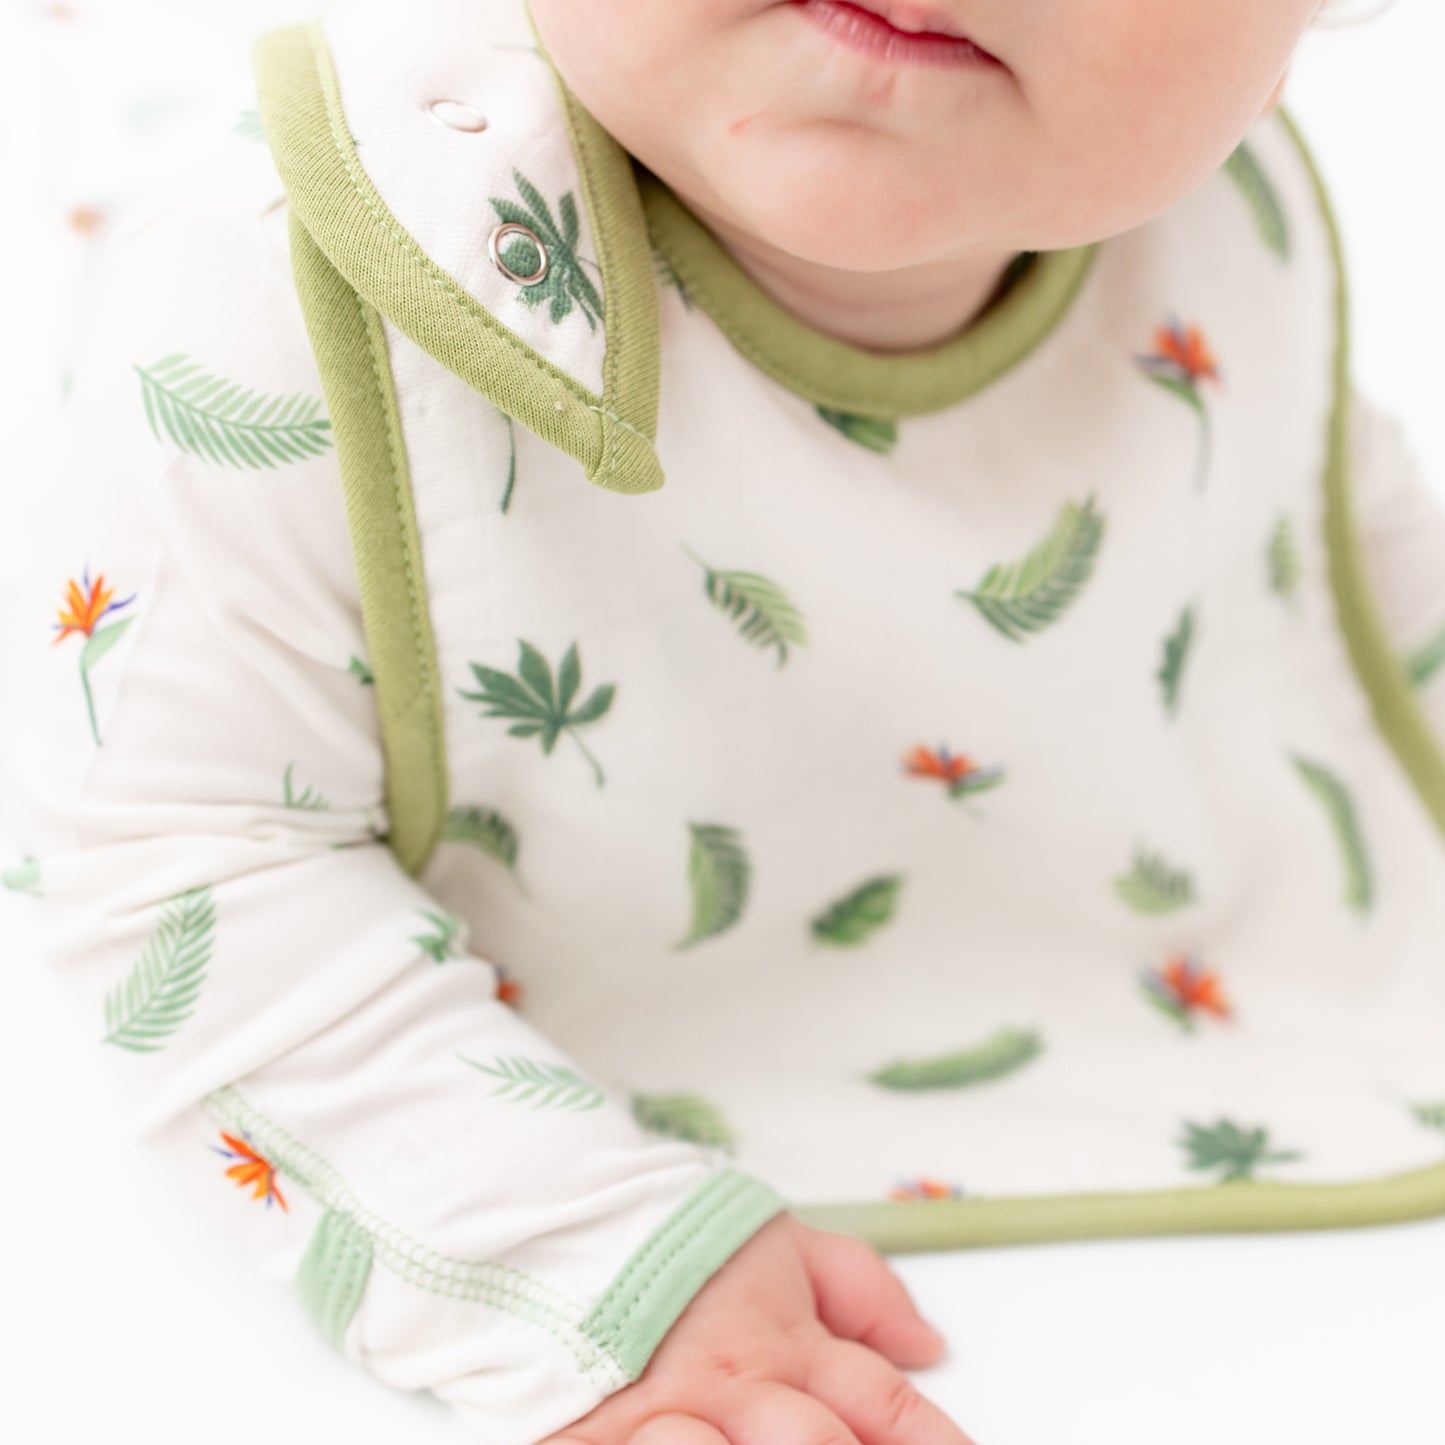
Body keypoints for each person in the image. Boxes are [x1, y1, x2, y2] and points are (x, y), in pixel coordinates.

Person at [5, 0, 1444, 1442]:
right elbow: (171, 844)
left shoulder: (1223, 237)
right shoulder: (275, 284)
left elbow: (1339, 562)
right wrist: (574, 1246)